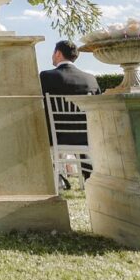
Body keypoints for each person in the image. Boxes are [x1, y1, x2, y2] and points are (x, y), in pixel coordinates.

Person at [39, 40, 101, 186]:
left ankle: (55, 177)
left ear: (58, 53)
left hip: (56, 137)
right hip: (86, 137)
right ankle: (89, 177)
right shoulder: (90, 79)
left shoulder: (46, 77)